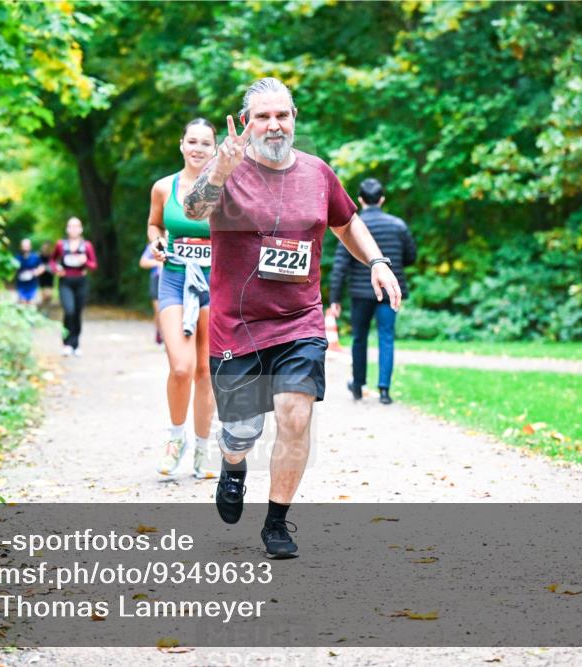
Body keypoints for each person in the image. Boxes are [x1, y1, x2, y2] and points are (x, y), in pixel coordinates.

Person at [184, 78, 401, 559]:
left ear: (294, 117)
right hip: (237, 326)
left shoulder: (318, 173)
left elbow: (347, 223)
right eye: (263, 116)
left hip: (300, 319)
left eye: (282, 115)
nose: (274, 124)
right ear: (247, 123)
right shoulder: (230, 170)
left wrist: (378, 262)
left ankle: (277, 522)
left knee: (295, 415)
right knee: (241, 431)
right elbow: (193, 209)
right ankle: (232, 465)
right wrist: (220, 167)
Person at [147, 118, 217, 479]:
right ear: (181, 144)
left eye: (206, 143)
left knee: (206, 370)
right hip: (174, 278)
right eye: (193, 141)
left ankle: (203, 448)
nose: (198, 148)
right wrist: (156, 242)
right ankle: (177, 439)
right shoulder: (164, 187)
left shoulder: (226, 190)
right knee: (180, 367)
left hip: (214, 283)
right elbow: (154, 225)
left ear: (215, 149)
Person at [329, 177, 417, 405]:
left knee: (359, 338)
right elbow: (411, 256)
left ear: (360, 199)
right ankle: (384, 390)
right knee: (386, 337)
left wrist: (335, 298)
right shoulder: (398, 225)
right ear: (382, 199)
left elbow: (341, 264)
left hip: (360, 293)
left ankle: (358, 385)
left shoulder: (350, 226)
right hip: (389, 292)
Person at [50, 217, 97, 356]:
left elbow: (94, 265)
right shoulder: (60, 244)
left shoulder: (87, 245)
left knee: (77, 313)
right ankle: (67, 343)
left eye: (76, 226)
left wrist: (86, 262)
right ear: (67, 229)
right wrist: (57, 269)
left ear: (81, 229)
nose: (74, 229)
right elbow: (52, 261)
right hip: (65, 282)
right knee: (69, 311)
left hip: (81, 282)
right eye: (71, 226)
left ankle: (76, 345)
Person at [139, 242, 164, 345]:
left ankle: (168, 337)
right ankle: (161, 334)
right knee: (158, 310)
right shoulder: (154, 245)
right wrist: (157, 262)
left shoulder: (178, 241)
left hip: (173, 280)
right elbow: (143, 262)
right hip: (157, 279)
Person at [14, 238, 44, 305]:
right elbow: (13, 269)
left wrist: (37, 272)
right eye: (23, 246)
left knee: (31, 303)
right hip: (21, 284)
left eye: (26, 246)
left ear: (30, 246)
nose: (25, 248)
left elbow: (41, 267)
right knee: (22, 302)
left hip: (32, 284)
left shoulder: (35, 257)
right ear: (21, 247)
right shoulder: (17, 257)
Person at [39, 240, 56, 313]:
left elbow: (54, 265)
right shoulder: (39, 256)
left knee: (49, 295)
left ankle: (47, 309)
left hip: (50, 277)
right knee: (44, 295)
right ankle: (44, 309)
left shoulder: (52, 256)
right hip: (42, 277)